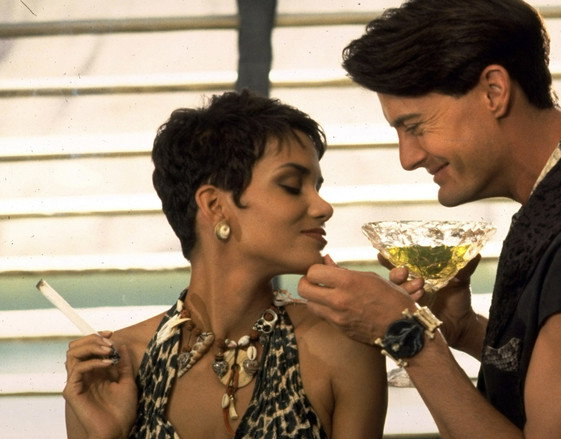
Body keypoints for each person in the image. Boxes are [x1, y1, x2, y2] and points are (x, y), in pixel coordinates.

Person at [298, 0, 561, 438]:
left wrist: (406, 334)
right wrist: (464, 330)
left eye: (416, 127)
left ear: (494, 91)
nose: (408, 157)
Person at [63, 91, 387, 439]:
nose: (324, 207)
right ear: (215, 205)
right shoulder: (110, 374)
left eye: (317, 187)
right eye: (292, 186)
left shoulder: (346, 349)